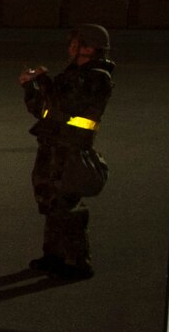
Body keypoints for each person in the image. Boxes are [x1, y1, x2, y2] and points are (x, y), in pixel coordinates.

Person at [20, 23, 114, 280]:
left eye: (76, 44)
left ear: (89, 48)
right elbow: (45, 109)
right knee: (50, 200)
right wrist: (32, 86)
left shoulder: (95, 77)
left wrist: (40, 81)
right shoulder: (78, 72)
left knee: (67, 204)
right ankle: (55, 255)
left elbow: (59, 103)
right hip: (55, 145)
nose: (70, 48)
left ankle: (78, 261)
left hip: (70, 148)